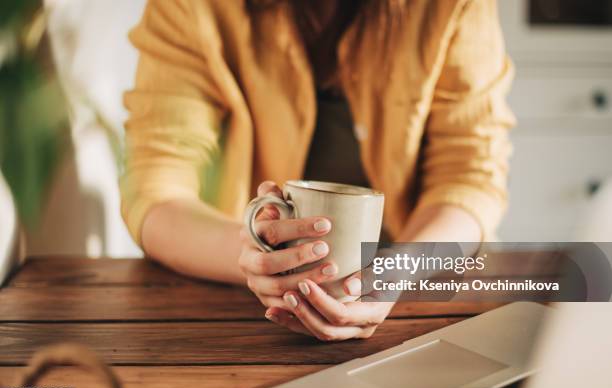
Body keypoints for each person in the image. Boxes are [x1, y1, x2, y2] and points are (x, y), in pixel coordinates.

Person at [120, 0, 515, 341]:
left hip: (423, 286)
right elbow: (156, 189)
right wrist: (254, 257)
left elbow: (468, 178)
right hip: (235, 307)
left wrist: (396, 273)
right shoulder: (194, 8)